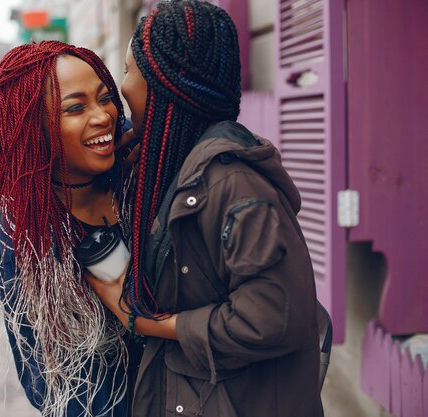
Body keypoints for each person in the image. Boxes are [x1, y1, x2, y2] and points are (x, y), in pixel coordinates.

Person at [85, 1, 324, 416]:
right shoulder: (183, 165)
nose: (122, 89)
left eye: (126, 71)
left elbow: (270, 317)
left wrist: (147, 322)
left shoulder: (232, 184)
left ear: (162, 84)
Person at [0, 41, 142, 417]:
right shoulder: (24, 239)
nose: (103, 116)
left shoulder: (140, 177)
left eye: (105, 98)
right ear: (34, 131)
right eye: (75, 108)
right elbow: (53, 385)